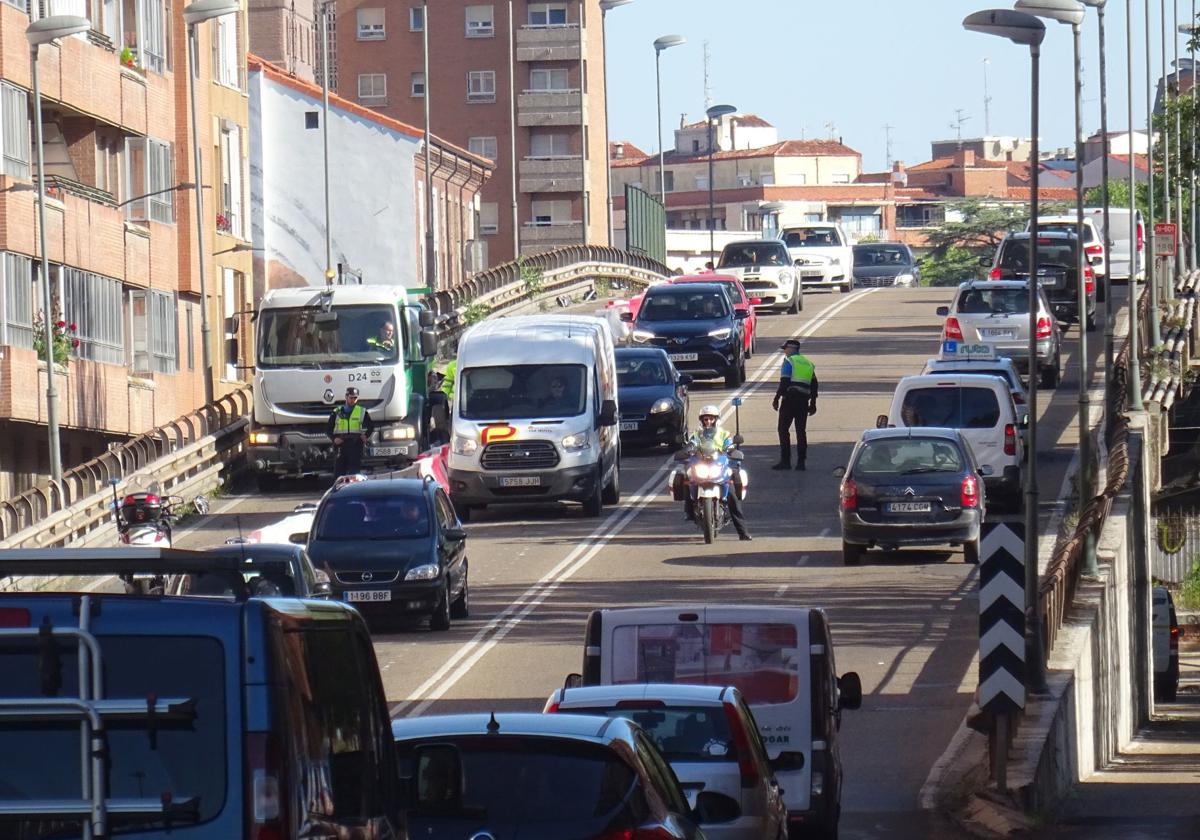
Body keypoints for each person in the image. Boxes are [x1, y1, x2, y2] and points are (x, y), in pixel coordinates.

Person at [685, 405, 752, 541]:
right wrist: (688, 448)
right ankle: (689, 511)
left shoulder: (723, 434)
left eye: (710, 419)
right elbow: (692, 443)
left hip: (719, 465)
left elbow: (729, 444)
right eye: (705, 419)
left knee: (732, 496)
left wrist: (732, 450)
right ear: (701, 421)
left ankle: (742, 531)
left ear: (716, 420)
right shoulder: (697, 434)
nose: (708, 422)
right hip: (702, 465)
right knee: (687, 479)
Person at [772, 338, 818, 471]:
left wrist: (776, 398)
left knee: (783, 430)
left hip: (790, 400)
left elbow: (784, 382)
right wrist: (813, 403)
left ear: (791, 349)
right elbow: (814, 385)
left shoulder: (789, 361)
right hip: (803, 401)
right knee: (801, 431)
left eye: (785, 349)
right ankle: (801, 462)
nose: (784, 352)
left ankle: (785, 461)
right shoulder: (808, 363)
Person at [326, 387, 374, 478]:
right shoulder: (337, 412)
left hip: (355, 445)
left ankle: (354, 491)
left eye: (355, 398)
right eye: (351, 397)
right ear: (346, 397)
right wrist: (334, 439)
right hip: (341, 446)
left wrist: (366, 435)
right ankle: (339, 491)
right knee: (339, 474)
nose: (353, 400)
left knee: (354, 473)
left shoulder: (361, 411)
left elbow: (371, 426)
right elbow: (328, 430)